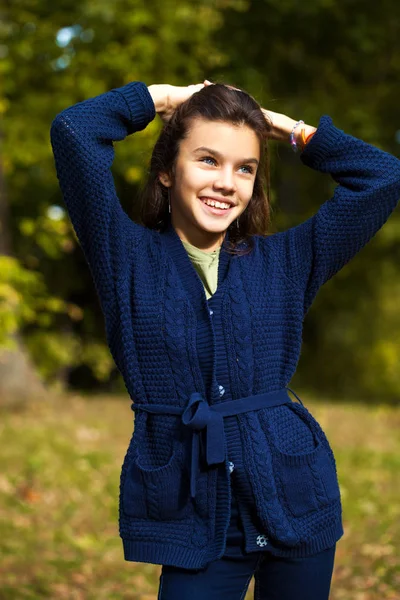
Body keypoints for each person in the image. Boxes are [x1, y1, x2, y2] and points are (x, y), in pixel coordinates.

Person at [50, 78, 400, 600]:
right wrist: (166, 97)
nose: (226, 183)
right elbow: (74, 131)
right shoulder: (123, 255)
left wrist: (289, 130)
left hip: (297, 500)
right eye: (208, 160)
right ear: (168, 171)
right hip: (193, 516)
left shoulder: (285, 261)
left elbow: (382, 177)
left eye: (245, 168)